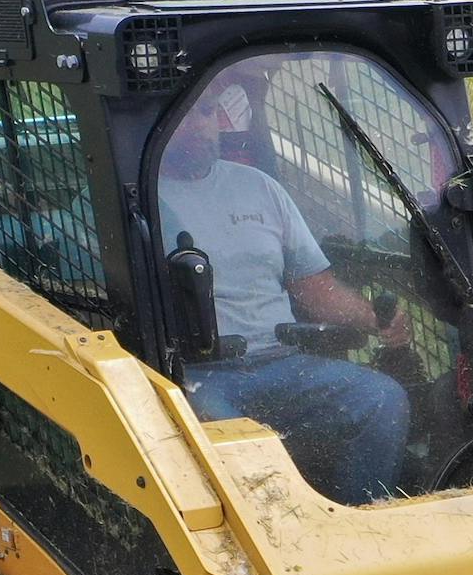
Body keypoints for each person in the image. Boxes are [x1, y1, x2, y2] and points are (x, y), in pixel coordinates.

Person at [155, 76, 411, 504]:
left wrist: (374, 318)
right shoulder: (138, 200)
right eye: (183, 116)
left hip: (282, 362)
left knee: (383, 399)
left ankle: (360, 526)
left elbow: (315, 287)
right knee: (237, 444)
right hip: (196, 375)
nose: (198, 125)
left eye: (203, 112)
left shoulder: (258, 188)